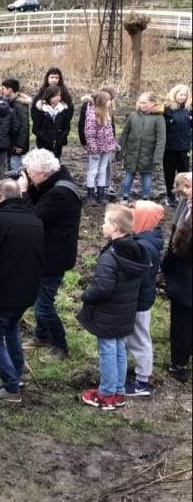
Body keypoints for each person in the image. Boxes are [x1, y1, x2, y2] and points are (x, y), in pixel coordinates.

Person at [0, 181, 45, 403]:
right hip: (28, 290)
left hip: (3, 291)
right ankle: (16, 375)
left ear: (1, 198)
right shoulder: (35, 221)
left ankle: (11, 388)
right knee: (11, 327)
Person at [78, 205, 149, 411]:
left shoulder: (110, 255)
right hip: (125, 312)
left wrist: (85, 295)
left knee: (108, 351)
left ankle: (107, 395)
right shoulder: (136, 250)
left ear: (115, 227)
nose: (102, 225)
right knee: (119, 350)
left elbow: (103, 287)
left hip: (108, 313)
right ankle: (118, 391)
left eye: (105, 222)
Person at [19, 149, 82, 363]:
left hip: (54, 257)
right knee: (39, 297)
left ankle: (60, 345)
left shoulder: (61, 193)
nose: (26, 175)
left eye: (29, 172)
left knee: (43, 304)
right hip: (46, 252)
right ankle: (41, 336)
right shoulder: (54, 182)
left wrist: (24, 192)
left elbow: (33, 217)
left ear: (42, 173)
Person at [125, 201, 165, 397]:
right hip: (140, 298)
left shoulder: (143, 247)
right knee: (131, 336)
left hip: (138, 300)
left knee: (140, 339)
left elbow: (138, 278)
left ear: (143, 219)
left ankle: (142, 382)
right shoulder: (146, 240)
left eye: (133, 217)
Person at [118, 92, 166, 205]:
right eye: (140, 102)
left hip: (148, 153)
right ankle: (124, 196)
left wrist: (157, 157)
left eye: (145, 103)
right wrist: (119, 153)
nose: (142, 105)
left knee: (146, 175)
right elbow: (125, 134)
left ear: (153, 103)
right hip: (132, 152)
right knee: (128, 174)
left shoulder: (158, 118)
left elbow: (161, 139)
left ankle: (145, 197)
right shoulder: (133, 115)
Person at [162, 212, 192, 382]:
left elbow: (168, 262)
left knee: (181, 328)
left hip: (183, 291)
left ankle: (179, 367)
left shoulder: (182, 237)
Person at [83, 91, 117, 206]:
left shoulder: (107, 113)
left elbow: (110, 131)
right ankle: (90, 195)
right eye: (108, 101)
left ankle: (101, 195)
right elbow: (89, 134)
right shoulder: (92, 115)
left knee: (103, 169)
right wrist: (93, 148)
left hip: (107, 147)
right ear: (103, 102)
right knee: (93, 170)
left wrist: (112, 144)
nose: (110, 103)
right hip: (96, 149)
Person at [163, 85, 192, 207]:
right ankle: (170, 194)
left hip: (184, 145)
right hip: (170, 145)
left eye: (185, 95)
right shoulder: (167, 108)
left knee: (184, 170)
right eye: (180, 95)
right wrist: (170, 122)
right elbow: (162, 125)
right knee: (169, 171)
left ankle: (183, 194)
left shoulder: (189, 108)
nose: (182, 97)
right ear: (174, 94)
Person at [31, 85, 72, 160]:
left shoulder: (63, 109)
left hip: (58, 144)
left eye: (59, 95)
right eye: (55, 95)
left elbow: (66, 127)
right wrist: (46, 138)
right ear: (49, 96)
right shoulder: (41, 110)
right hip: (43, 144)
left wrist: (61, 137)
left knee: (56, 165)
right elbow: (35, 129)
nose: (58, 97)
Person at [2, 79, 32, 172]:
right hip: (9, 140)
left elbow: (24, 126)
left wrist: (20, 144)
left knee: (15, 166)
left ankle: (17, 185)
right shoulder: (8, 102)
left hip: (16, 142)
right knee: (9, 165)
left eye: (3, 88)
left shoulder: (20, 105)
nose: (2, 91)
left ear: (9, 89)